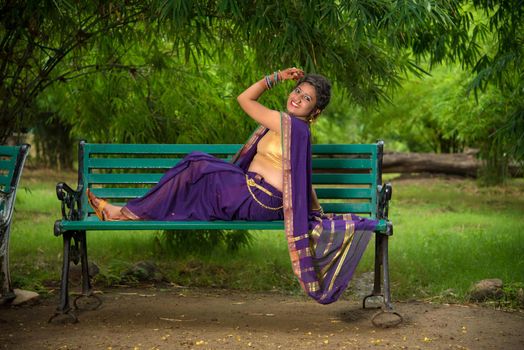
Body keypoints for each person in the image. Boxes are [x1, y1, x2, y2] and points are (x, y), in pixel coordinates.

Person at [87, 68, 379, 304]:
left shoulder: (289, 126)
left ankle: (123, 212)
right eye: (297, 91)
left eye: (307, 99)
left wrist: (275, 77)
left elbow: (244, 100)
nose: (298, 98)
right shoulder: (294, 130)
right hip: (253, 194)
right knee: (196, 168)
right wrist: (318, 210)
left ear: (315, 111)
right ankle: (130, 211)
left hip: (258, 198)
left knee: (197, 164)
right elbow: (304, 180)